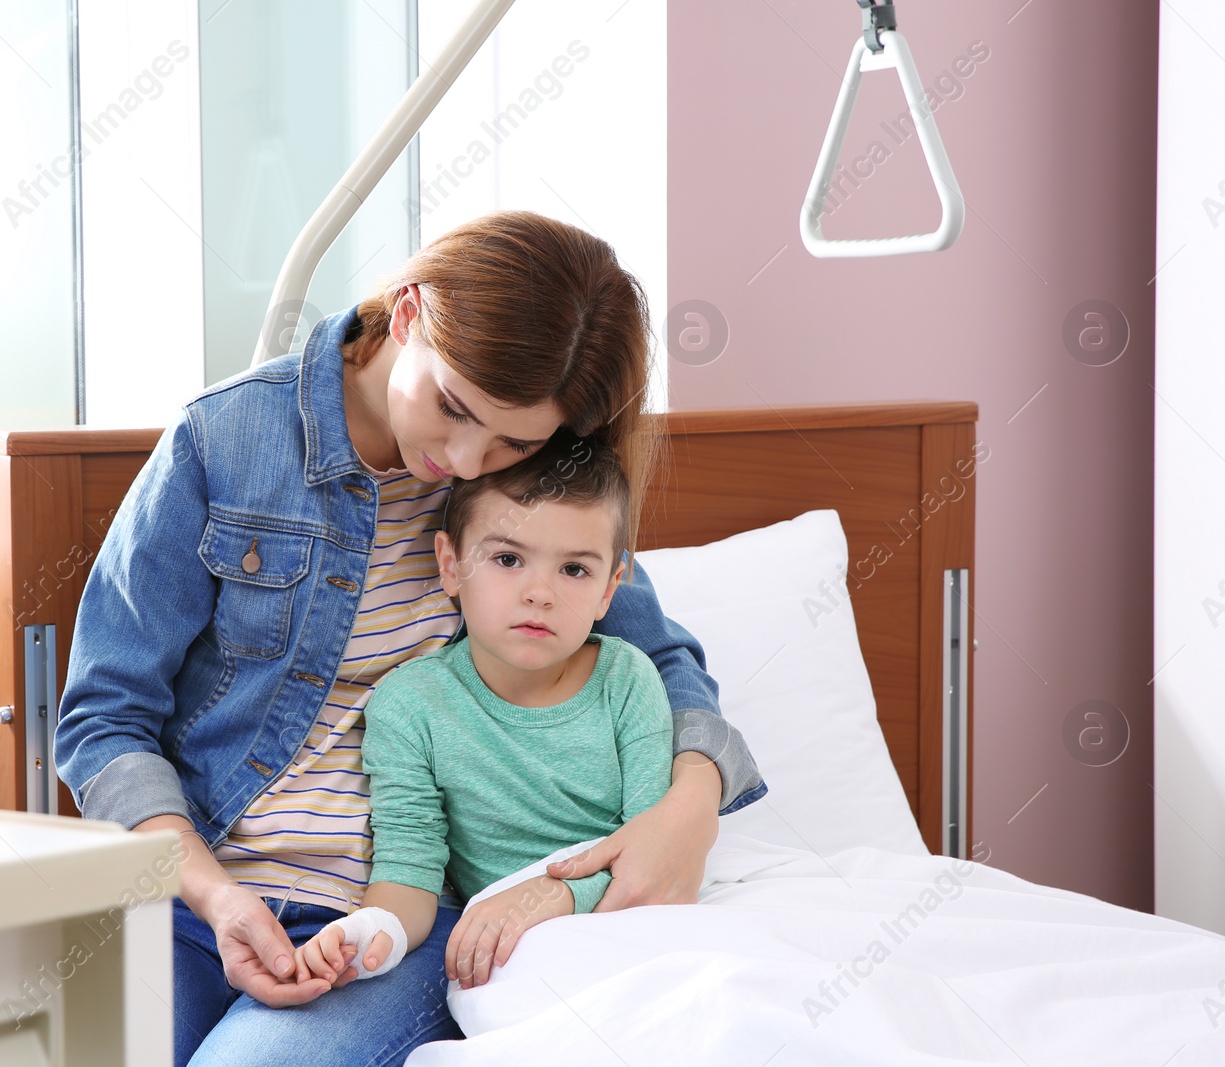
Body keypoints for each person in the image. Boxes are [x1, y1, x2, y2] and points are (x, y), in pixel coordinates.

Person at [53, 211, 768, 1067]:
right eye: (454, 408)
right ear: (406, 312)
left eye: (515, 438)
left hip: (398, 915)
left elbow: (660, 661)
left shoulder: (522, 492)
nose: (468, 460)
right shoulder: (225, 441)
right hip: (188, 894)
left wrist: (691, 806)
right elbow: (105, 717)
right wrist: (214, 896)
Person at [292, 434, 676, 994]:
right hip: (508, 961)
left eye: (574, 570)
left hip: (628, 931)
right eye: (507, 559)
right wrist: (371, 931)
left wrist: (551, 896)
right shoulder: (411, 703)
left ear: (608, 590)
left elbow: (651, 853)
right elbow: (410, 871)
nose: (540, 593)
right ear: (450, 565)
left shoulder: (628, 681)